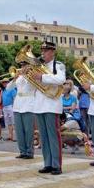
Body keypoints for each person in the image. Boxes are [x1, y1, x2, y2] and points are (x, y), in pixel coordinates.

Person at [31, 41, 66, 175]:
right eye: (42, 51)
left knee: (53, 136)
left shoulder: (58, 65)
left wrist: (42, 76)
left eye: (46, 51)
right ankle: (48, 164)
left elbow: (60, 80)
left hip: (52, 105)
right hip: (39, 104)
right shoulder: (39, 66)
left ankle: (57, 165)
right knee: (44, 137)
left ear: (52, 52)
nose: (43, 53)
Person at [7, 61, 36, 159]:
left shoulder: (33, 76)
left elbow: (33, 85)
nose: (22, 67)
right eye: (21, 66)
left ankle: (29, 152)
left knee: (28, 131)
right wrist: (14, 78)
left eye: (24, 65)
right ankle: (22, 151)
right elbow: (8, 88)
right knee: (19, 131)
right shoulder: (18, 77)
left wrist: (26, 74)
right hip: (18, 104)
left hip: (29, 104)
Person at [82, 52, 94, 166]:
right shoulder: (93, 74)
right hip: (93, 108)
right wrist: (87, 87)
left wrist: (91, 86)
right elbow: (90, 91)